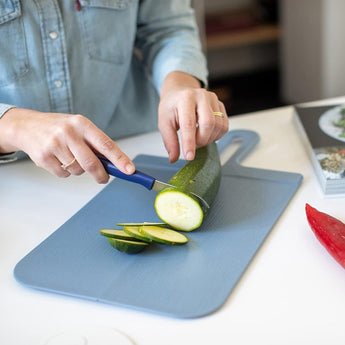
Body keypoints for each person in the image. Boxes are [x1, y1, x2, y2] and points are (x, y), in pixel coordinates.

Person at [0, 0, 228, 184]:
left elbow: (167, 29)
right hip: (17, 176)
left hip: (138, 146)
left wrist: (179, 84)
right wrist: (14, 126)